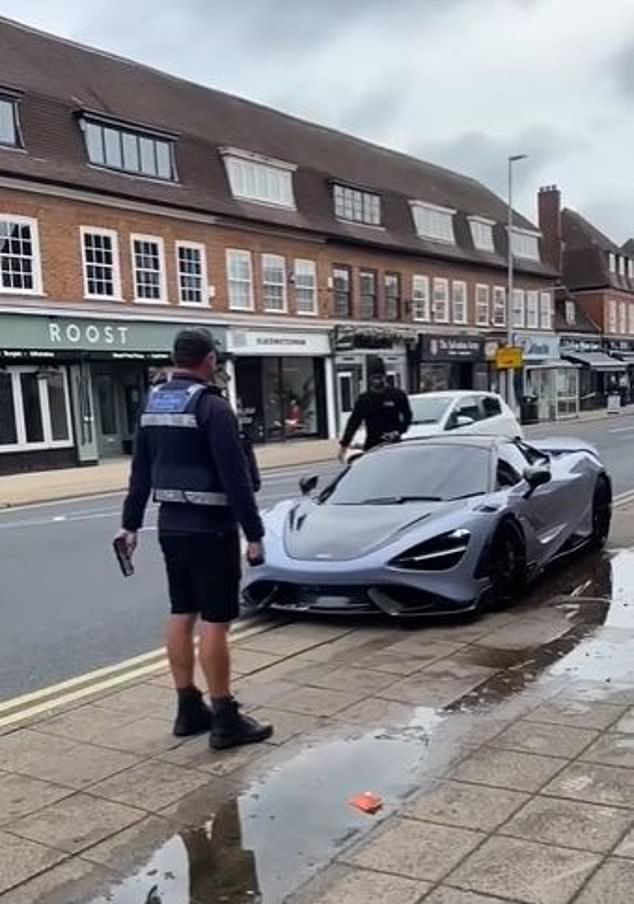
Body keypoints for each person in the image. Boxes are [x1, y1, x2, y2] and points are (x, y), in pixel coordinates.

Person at [115, 328, 272, 751]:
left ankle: (188, 708)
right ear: (209, 361)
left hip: (171, 528)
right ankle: (224, 717)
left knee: (181, 611)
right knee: (216, 621)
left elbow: (141, 472)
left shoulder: (153, 403)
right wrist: (254, 535)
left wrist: (129, 525)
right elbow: (235, 479)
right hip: (212, 529)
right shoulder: (213, 406)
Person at [338, 357, 412, 461]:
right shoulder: (364, 399)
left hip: (393, 443)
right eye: (374, 378)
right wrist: (344, 445)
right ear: (369, 379)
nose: (377, 381)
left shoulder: (397, 395)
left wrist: (399, 431)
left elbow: (407, 416)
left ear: (385, 377)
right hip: (372, 444)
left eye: (380, 377)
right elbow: (354, 422)